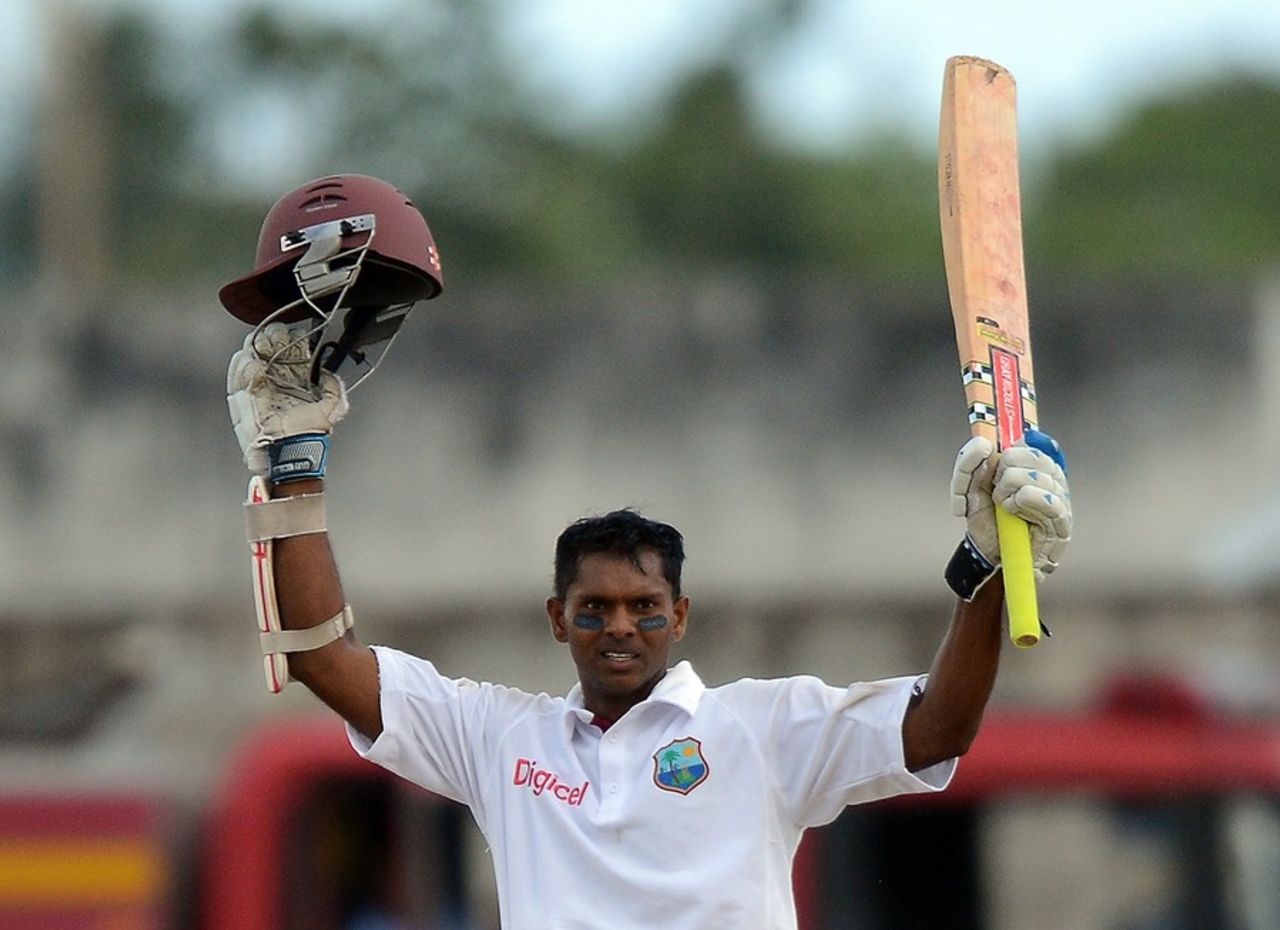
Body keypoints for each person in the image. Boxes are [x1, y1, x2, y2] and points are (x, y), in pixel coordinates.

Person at [222, 175, 1072, 930]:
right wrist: (295, 466)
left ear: (680, 616)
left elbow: (938, 728)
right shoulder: (501, 741)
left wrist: (985, 571)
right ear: (558, 619)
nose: (620, 628)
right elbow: (324, 660)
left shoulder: (763, 731)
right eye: (594, 609)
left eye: (643, 608)